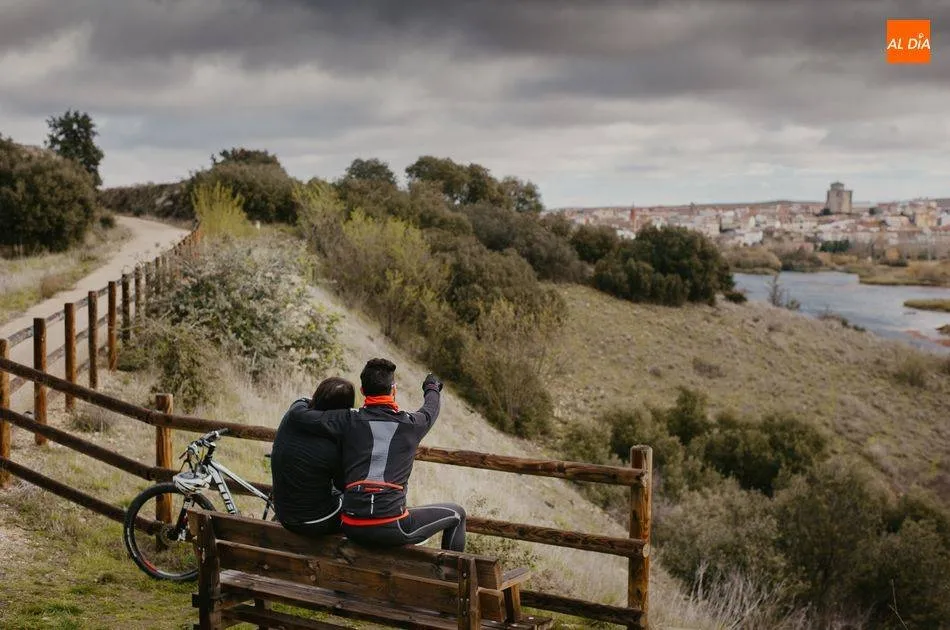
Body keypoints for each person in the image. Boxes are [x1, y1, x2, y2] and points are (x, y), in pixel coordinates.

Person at [338, 358, 466, 552]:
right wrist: (432, 386)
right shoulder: (411, 425)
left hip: (350, 524)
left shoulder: (346, 420)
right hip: (391, 526)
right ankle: (449, 579)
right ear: (394, 389)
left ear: (362, 391)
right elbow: (431, 408)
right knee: (457, 514)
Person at [270, 376, 355, 536]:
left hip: (283, 514)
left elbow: (304, 403)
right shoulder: (334, 443)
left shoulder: (293, 414)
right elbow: (344, 484)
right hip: (314, 522)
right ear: (345, 409)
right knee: (358, 504)